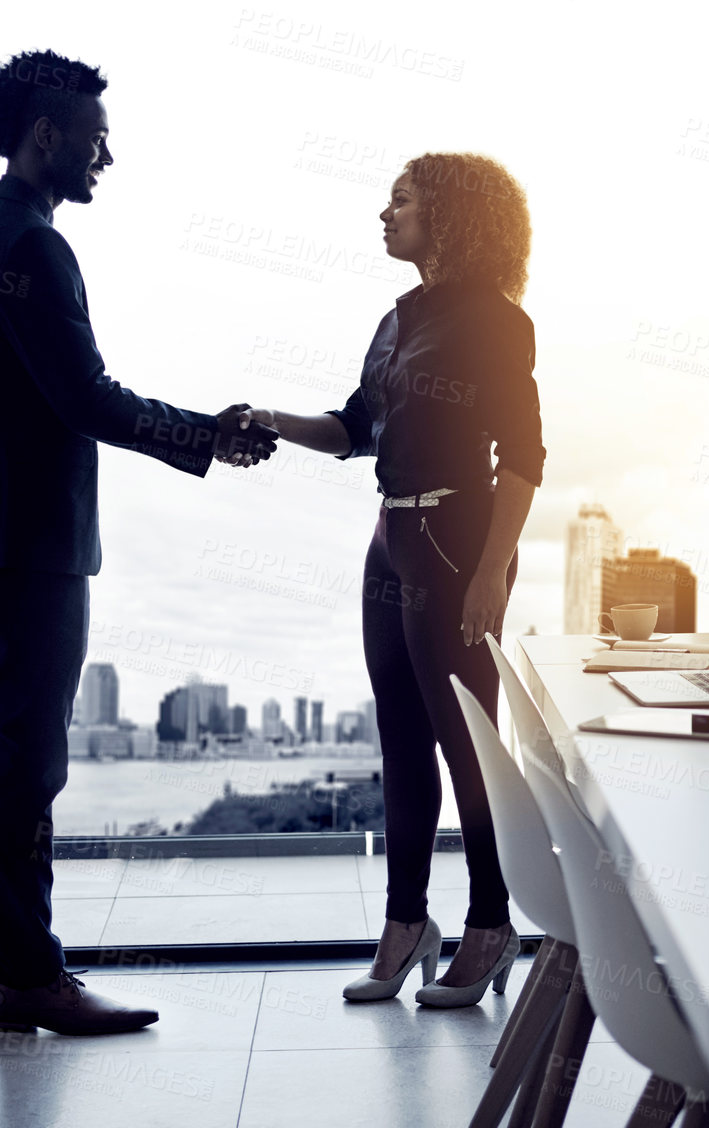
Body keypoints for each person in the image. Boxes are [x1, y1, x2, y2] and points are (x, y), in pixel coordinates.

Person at [0, 49, 277, 1036]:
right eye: (95, 138)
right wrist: (206, 433)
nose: (107, 156)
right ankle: (31, 975)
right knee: (30, 757)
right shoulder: (32, 248)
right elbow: (83, 396)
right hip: (30, 540)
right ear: (45, 135)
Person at [234, 152, 542, 1005]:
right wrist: (269, 420)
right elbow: (354, 428)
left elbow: (523, 461)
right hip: (391, 536)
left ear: (449, 215)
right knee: (401, 743)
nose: (384, 213)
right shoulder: (396, 321)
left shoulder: (495, 321)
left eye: (400, 200)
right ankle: (406, 925)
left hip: (456, 539)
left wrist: (489, 576)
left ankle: (490, 925)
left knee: (467, 746)